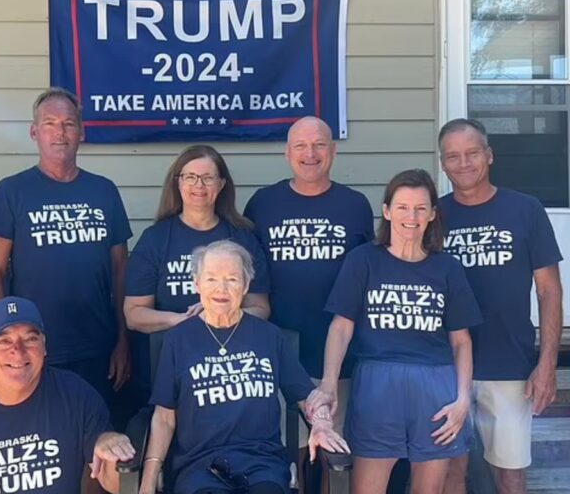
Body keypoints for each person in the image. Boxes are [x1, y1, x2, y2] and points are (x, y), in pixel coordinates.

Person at [315, 169, 481, 494]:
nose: (412, 216)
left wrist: (463, 400)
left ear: (432, 214)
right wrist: (329, 382)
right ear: (387, 211)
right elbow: (341, 327)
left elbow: (461, 341)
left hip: (435, 385)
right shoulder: (363, 260)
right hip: (378, 384)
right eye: (403, 207)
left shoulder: (447, 268)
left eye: (421, 208)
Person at [140, 240, 348, 494]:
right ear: (197, 284)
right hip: (199, 468)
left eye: (232, 279)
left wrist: (322, 423)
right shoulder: (178, 340)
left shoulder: (268, 336)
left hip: (263, 464)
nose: (222, 289)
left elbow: (306, 396)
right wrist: (148, 483)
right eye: (212, 279)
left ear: (246, 286)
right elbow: (164, 418)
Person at [0, 87, 132, 414]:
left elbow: (121, 272)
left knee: (96, 445)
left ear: (81, 131)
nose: (59, 133)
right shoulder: (12, 192)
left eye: (68, 124)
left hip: (97, 348)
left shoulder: (103, 191)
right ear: (34, 132)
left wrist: (123, 340)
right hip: (33, 351)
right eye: (49, 123)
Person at [437, 119, 563, 494]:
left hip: (509, 362)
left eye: (472, 153)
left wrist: (548, 363)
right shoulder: (431, 216)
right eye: (453, 156)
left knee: (510, 472)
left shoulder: (525, 210)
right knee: (450, 471)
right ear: (442, 164)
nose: (464, 163)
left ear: (489, 156)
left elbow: (549, 291)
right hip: (443, 365)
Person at [0, 296, 136, 494]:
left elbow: (115, 482)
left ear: (44, 346)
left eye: (30, 339)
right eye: (4, 340)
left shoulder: (76, 396)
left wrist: (114, 449)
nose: (18, 351)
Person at [244, 116, 373, 431]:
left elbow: (370, 279)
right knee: (289, 446)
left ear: (333, 151)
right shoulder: (263, 203)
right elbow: (245, 274)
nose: (310, 153)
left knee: (333, 442)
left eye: (319, 145)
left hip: (339, 351)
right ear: (287, 153)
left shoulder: (355, 205)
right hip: (278, 348)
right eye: (300, 146)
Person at [124, 145, 270, 388]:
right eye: (190, 177)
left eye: (207, 178)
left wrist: (217, 315)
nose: (198, 185)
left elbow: (261, 308)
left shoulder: (243, 238)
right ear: (178, 183)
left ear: (221, 184)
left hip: (230, 368)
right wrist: (181, 320)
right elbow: (134, 314)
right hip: (166, 367)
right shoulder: (156, 239)